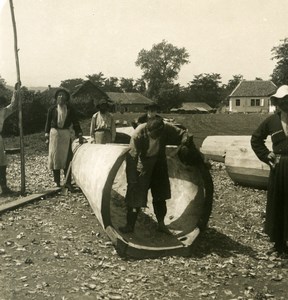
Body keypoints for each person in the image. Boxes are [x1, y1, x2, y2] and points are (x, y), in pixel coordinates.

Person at [119, 115, 192, 234]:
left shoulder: (164, 128)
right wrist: (132, 180)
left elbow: (183, 133)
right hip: (144, 164)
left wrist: (185, 140)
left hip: (160, 163)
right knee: (135, 196)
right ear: (148, 130)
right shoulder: (138, 134)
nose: (156, 136)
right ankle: (129, 225)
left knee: (160, 195)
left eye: (159, 134)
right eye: (154, 134)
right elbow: (132, 157)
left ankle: (161, 224)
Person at [251, 85, 288, 255]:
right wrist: (266, 156)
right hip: (279, 168)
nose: (286, 103)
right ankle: (279, 244)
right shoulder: (271, 121)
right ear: (278, 102)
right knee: (278, 203)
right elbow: (256, 139)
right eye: (283, 101)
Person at [45, 88, 83, 192]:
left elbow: (75, 122)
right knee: (55, 158)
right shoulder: (52, 109)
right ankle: (57, 181)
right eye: (59, 96)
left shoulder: (70, 109)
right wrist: (46, 135)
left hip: (65, 135)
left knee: (67, 158)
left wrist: (79, 134)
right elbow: (48, 123)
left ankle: (68, 182)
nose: (61, 97)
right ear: (56, 98)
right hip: (55, 134)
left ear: (66, 98)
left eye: (63, 95)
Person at [0, 82, 20, 196]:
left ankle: (4, 187)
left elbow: (13, 106)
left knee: (2, 163)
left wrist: (16, 91)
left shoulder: (2, 111)